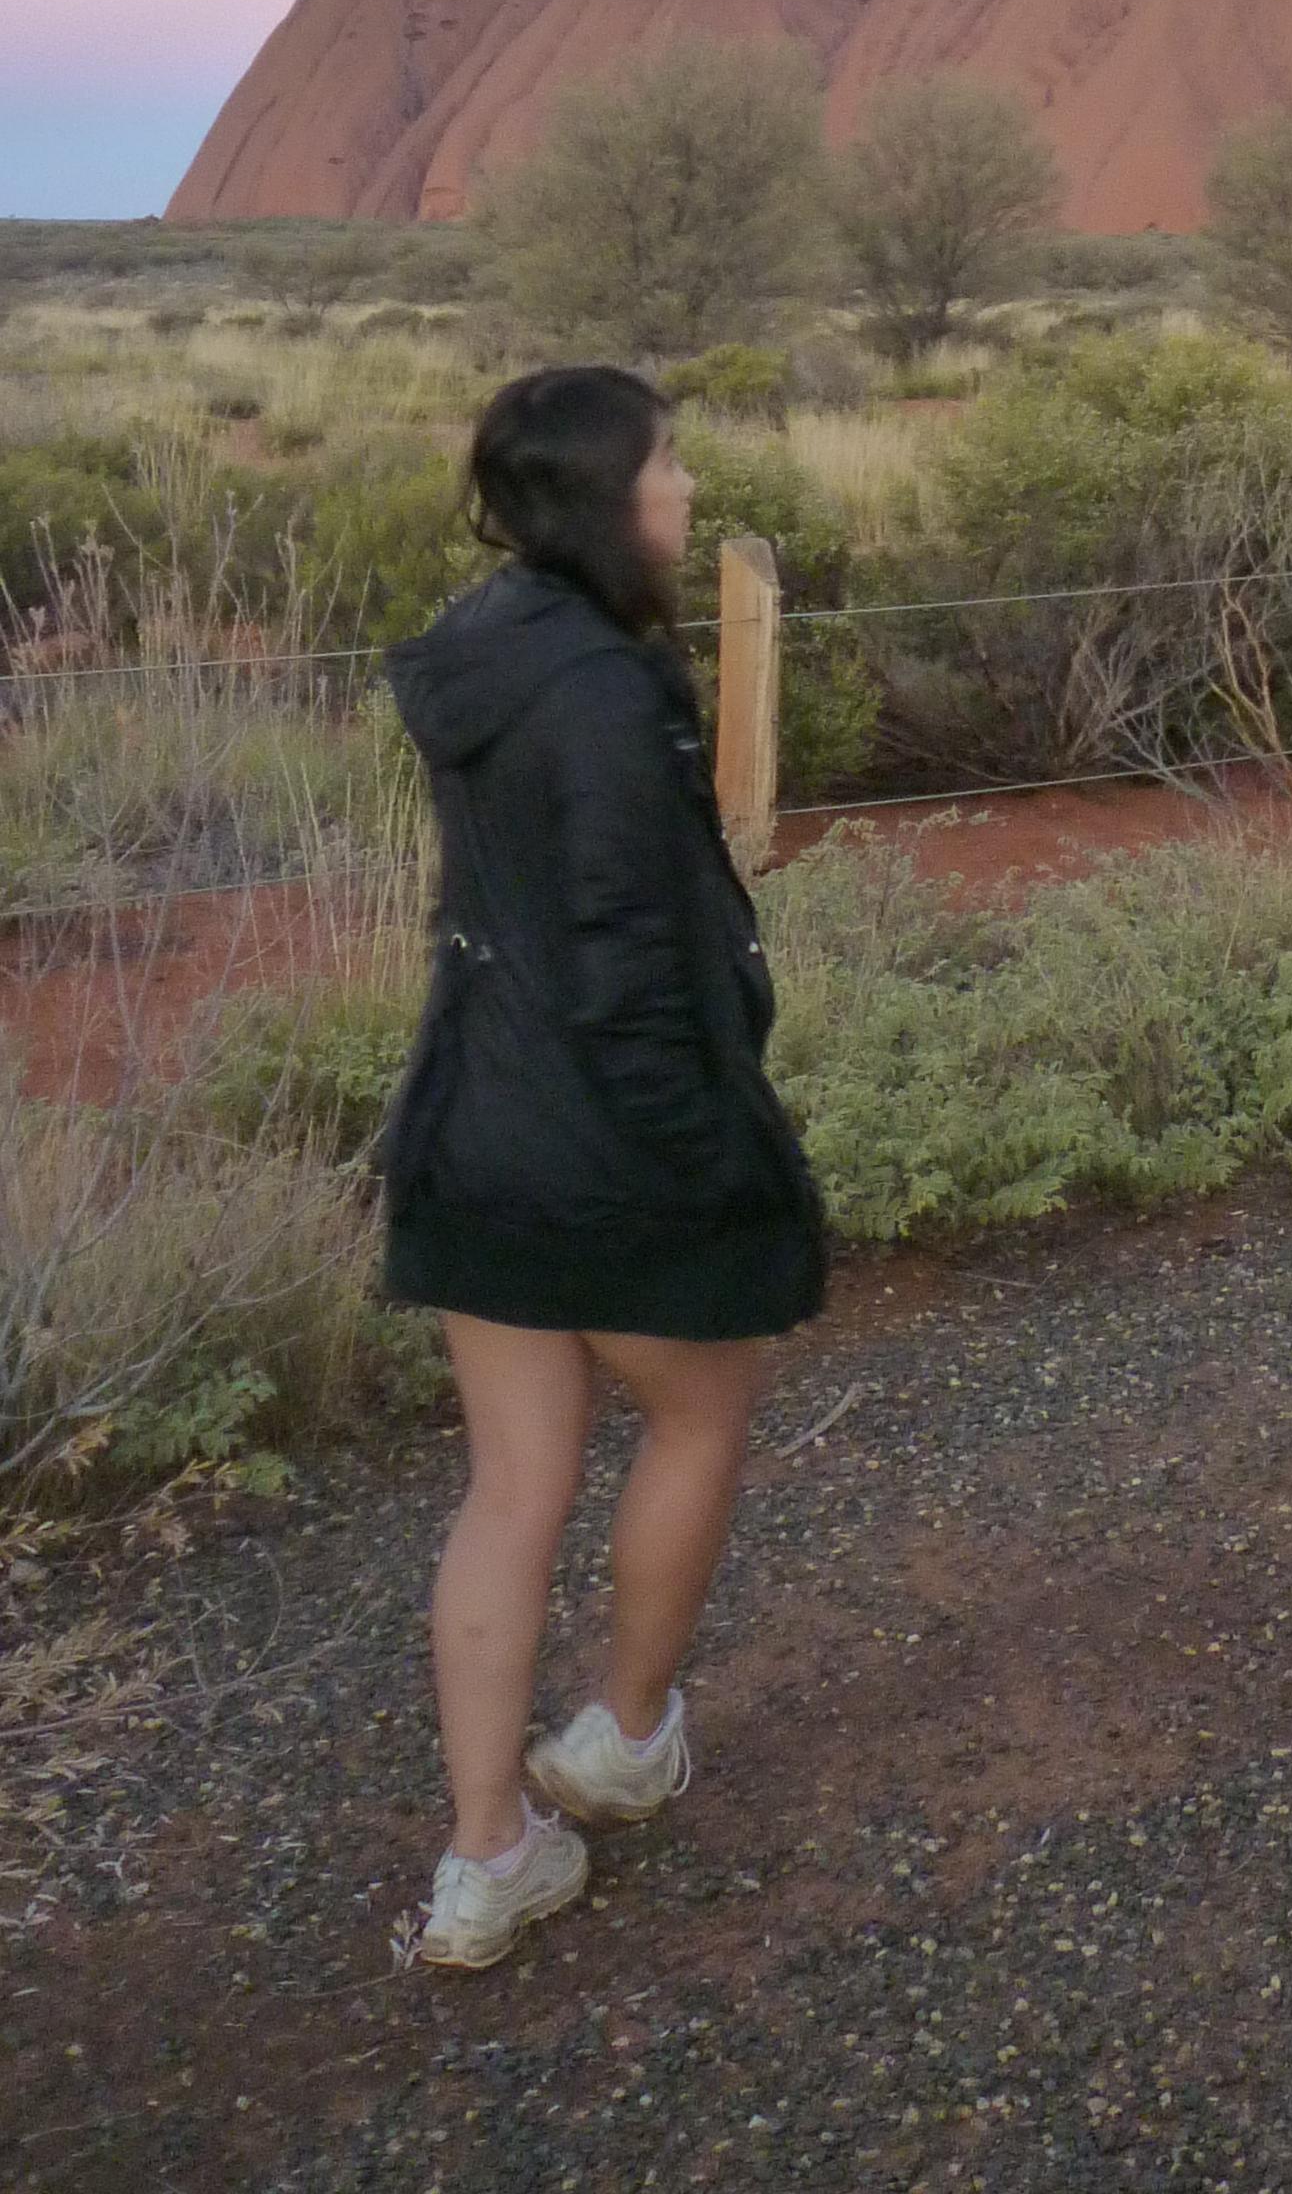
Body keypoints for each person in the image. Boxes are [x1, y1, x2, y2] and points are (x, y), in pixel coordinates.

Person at [378, 365, 826, 1970]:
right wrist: (715, 1165)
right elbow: (631, 960)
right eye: (668, 464)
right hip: (603, 1144)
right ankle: (627, 1738)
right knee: (703, 1407)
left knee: (512, 1484)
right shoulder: (609, 695)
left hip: (471, 1130)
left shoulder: (480, 657)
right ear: (601, 496)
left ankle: (487, 1856)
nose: (688, 488)